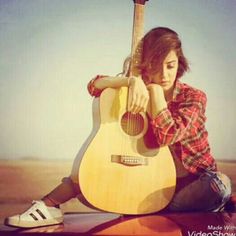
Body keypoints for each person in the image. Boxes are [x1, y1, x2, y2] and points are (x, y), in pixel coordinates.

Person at [5, 27, 233, 228]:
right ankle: (47, 206)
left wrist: (154, 93)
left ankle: (160, 208)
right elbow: (94, 84)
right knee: (95, 164)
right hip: (156, 181)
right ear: (145, 65)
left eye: (170, 66)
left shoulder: (193, 97)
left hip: (196, 183)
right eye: (156, 65)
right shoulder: (135, 89)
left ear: (179, 64)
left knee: (218, 185)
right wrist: (130, 82)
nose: (164, 75)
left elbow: (167, 136)